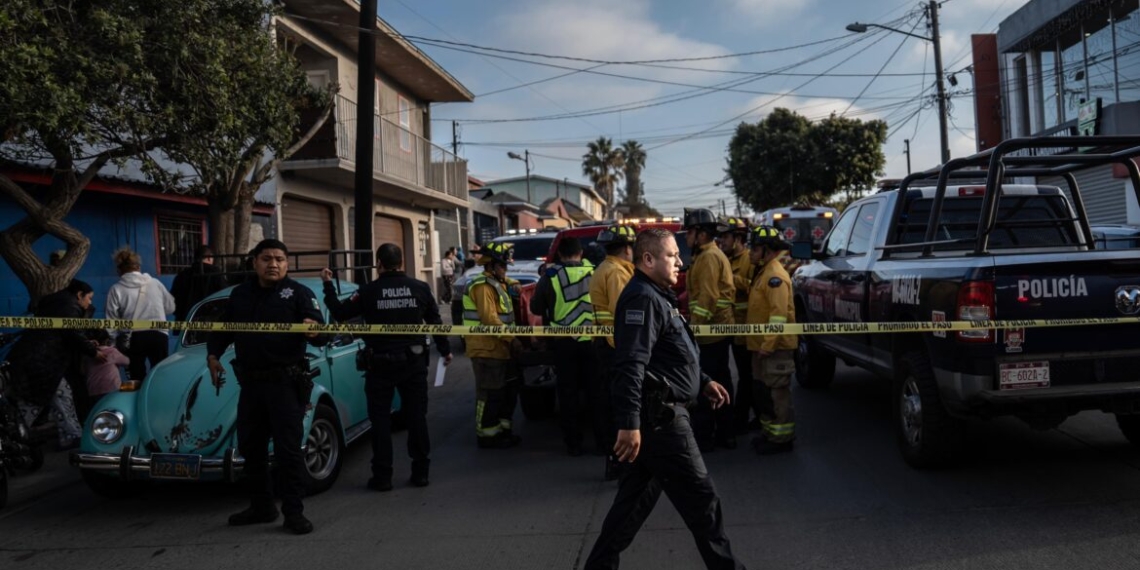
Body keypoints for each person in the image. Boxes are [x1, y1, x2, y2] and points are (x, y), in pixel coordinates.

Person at [585, 228, 746, 570]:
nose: (680, 262)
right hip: (662, 421)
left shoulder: (657, 295)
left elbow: (668, 355)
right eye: (672, 256)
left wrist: (702, 382)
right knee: (704, 503)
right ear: (647, 259)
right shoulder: (642, 298)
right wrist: (629, 424)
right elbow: (631, 363)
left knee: (631, 507)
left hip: (657, 418)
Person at [206, 239, 327, 535]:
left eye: (279, 259)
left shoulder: (299, 294)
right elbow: (224, 328)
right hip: (251, 386)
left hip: (285, 384)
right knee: (251, 447)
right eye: (266, 258)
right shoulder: (240, 295)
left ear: (286, 264)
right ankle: (262, 507)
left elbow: (322, 334)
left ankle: (294, 513)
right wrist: (213, 355)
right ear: (254, 262)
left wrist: (314, 332)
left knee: (288, 451)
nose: (273, 264)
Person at [320, 243, 453, 491]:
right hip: (413, 364)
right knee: (416, 419)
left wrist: (328, 285)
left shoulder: (368, 291)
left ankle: (382, 477)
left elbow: (339, 312)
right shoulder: (420, 288)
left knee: (380, 422)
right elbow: (435, 323)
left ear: (378, 264)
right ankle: (421, 473)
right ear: (401, 263)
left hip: (379, 365)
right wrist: (445, 351)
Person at [6, 280, 104, 449]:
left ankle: (17, 436)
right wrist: (93, 352)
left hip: (34, 360)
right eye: (89, 298)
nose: (90, 303)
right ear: (79, 295)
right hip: (43, 362)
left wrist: (87, 342)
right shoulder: (69, 306)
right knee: (57, 394)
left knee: (36, 399)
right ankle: (71, 435)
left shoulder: (57, 303)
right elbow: (72, 332)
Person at [530, 237, 599, 457]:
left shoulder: (550, 276)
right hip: (592, 341)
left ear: (559, 255)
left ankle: (573, 444)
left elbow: (536, 306)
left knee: (567, 395)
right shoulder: (595, 272)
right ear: (581, 253)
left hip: (563, 341)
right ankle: (603, 443)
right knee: (596, 392)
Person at [683, 208, 737, 451]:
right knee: (719, 380)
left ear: (702, 234)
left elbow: (708, 298)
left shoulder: (707, 258)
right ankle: (725, 433)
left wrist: (694, 329)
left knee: (708, 385)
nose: (686, 237)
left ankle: (709, 436)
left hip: (711, 332)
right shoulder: (704, 255)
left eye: (690, 232)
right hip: (714, 331)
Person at [461, 241, 523, 449]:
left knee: (507, 393)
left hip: (500, 349)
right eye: (502, 266)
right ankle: (486, 436)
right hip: (486, 350)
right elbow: (490, 319)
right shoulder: (482, 287)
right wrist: (512, 339)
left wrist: (514, 283)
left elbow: (506, 283)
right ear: (491, 266)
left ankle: (503, 431)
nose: (505, 270)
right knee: (489, 395)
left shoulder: (498, 282)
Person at [588, 223, 638, 480]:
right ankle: (621, 462)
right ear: (627, 248)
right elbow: (626, 314)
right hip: (616, 345)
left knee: (610, 402)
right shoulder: (617, 274)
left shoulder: (606, 268)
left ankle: (615, 458)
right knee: (620, 405)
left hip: (607, 343)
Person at [746, 226, 798, 455]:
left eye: (755, 248)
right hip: (762, 348)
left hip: (774, 349)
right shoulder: (764, 272)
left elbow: (778, 315)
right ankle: (769, 434)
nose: (751, 252)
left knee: (777, 394)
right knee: (765, 394)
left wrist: (767, 346)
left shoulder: (774, 276)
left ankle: (782, 439)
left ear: (767, 250)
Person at [106, 247, 176, 381]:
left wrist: (113, 342)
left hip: (132, 337)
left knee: (136, 376)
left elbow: (111, 321)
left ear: (119, 270)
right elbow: (170, 308)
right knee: (160, 374)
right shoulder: (156, 283)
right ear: (138, 267)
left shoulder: (116, 289)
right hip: (159, 334)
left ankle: (137, 399)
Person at [717, 217, 758, 434]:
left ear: (738, 238)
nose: (721, 241)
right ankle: (738, 417)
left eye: (725, 236)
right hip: (728, 326)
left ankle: (743, 419)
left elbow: (757, 289)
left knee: (747, 375)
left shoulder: (750, 260)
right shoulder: (723, 258)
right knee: (733, 374)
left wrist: (732, 279)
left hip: (746, 328)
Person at [171, 244, 228, 323]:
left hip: (186, 322)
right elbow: (224, 296)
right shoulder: (215, 273)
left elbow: (173, 300)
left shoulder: (182, 275)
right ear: (209, 258)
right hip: (209, 322)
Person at [84, 329, 129, 412]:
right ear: (107, 340)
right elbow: (127, 362)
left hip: (93, 390)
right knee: (113, 411)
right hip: (111, 388)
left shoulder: (87, 355)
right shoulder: (112, 351)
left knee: (97, 412)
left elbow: (83, 370)